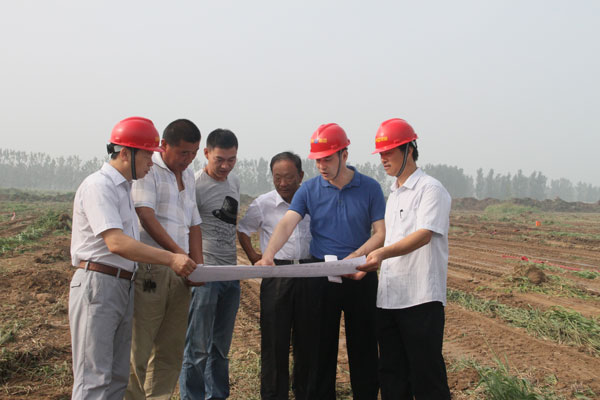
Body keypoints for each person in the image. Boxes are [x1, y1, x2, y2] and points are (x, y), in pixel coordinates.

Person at [69, 117, 197, 400]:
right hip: (98, 283)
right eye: (147, 155)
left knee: (117, 376)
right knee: (94, 378)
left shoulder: (124, 188)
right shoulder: (99, 186)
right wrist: (171, 258)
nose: (152, 162)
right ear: (126, 153)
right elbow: (116, 243)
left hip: (122, 282)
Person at [256, 123, 386, 400]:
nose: (321, 166)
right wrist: (268, 256)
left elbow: (381, 233)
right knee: (319, 347)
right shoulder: (310, 189)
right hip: (322, 277)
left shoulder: (370, 188)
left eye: (327, 159)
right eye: (317, 161)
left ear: (344, 155)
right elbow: (287, 223)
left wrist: (356, 257)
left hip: (360, 274)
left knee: (364, 345)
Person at [357, 118, 452, 399]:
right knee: (392, 374)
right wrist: (359, 259)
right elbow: (387, 237)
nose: (383, 160)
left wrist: (382, 253)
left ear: (409, 149)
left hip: (420, 298)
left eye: (389, 152)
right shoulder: (394, 194)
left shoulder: (430, 189)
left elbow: (424, 234)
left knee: (426, 376)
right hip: (389, 299)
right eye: (381, 154)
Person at [125, 119, 204, 399]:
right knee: (140, 345)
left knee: (171, 348)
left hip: (181, 271)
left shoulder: (189, 175)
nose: (188, 159)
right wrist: (177, 255)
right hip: (152, 269)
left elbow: (194, 221)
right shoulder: (149, 170)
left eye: (193, 153)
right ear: (164, 146)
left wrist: (198, 265)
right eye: (183, 153)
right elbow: (145, 216)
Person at [237, 152, 312, 400]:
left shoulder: (312, 200)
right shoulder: (263, 203)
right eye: (277, 177)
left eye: (289, 177)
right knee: (274, 339)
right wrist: (254, 257)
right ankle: (273, 394)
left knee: (307, 339)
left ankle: (304, 392)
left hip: (309, 272)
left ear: (301, 176)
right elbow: (243, 230)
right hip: (277, 273)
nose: (283, 183)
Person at [179, 128, 241, 400]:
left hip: (231, 275)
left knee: (220, 348)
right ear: (206, 154)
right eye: (220, 160)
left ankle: (216, 395)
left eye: (231, 159)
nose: (226, 166)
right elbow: (185, 228)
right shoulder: (194, 184)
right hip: (205, 275)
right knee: (197, 347)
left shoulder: (234, 182)